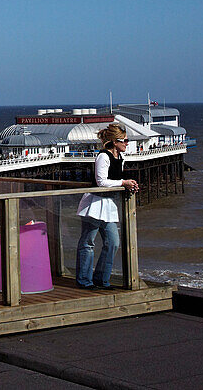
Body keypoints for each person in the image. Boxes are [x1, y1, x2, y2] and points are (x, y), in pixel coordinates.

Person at [75, 123, 139, 288]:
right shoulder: (103, 156)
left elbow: (116, 180)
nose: (127, 143)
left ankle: (101, 279)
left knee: (113, 242)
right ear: (114, 141)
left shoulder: (120, 158)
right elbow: (101, 181)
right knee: (88, 242)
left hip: (108, 205)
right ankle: (84, 280)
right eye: (124, 140)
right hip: (95, 204)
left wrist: (128, 184)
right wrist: (123, 182)